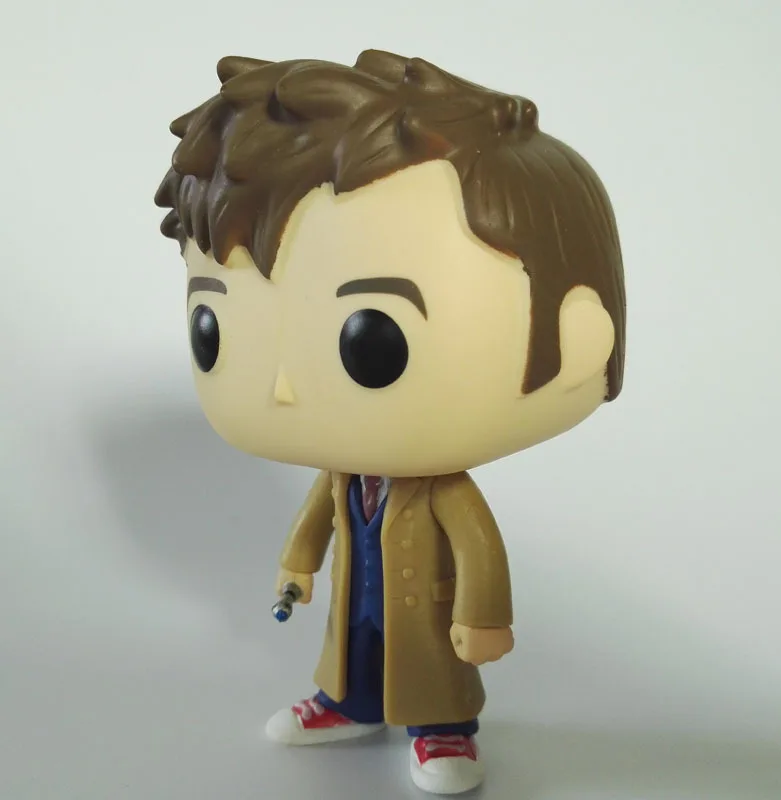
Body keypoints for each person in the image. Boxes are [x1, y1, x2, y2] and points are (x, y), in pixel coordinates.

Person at [155, 49, 626, 795]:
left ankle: (444, 729)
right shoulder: (345, 474)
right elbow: (319, 513)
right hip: (359, 603)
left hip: (427, 613)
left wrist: (484, 617)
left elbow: (479, 548)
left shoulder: (444, 494)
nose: (282, 389)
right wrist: (298, 564)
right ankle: (348, 704)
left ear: (580, 337)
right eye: (210, 326)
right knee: (353, 653)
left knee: (432, 669)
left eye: (373, 340)